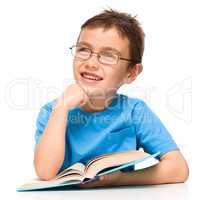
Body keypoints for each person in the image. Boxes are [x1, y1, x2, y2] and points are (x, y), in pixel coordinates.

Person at [33, 9, 189, 188]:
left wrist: (121, 179)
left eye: (108, 56)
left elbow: (178, 168)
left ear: (131, 73)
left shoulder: (134, 111)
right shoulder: (52, 110)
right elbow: (45, 173)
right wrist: (61, 109)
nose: (91, 63)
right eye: (83, 50)